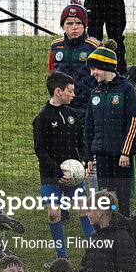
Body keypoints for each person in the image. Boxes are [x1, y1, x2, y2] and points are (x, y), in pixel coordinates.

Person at [33, 71, 88, 259]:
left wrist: (84, 161)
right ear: (58, 91)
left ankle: (93, 252)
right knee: (54, 214)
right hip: (51, 175)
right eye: (70, 91)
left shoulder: (72, 114)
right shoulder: (42, 118)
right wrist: (57, 170)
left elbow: (81, 141)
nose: (73, 95)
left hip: (73, 175)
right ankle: (61, 256)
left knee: (84, 208)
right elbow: (39, 149)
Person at [84, 41, 136, 215]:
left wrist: (126, 152)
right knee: (105, 197)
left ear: (105, 66)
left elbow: (134, 122)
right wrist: (88, 157)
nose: (92, 73)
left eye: (94, 69)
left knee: (121, 197)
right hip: (101, 155)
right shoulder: (95, 93)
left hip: (121, 156)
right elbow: (89, 127)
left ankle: (123, 225)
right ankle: (108, 229)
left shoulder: (127, 89)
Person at [48, 1, 101, 118]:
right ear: (63, 26)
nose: (74, 27)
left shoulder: (94, 46)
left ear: (85, 25)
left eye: (78, 23)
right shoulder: (56, 46)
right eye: (69, 23)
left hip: (88, 105)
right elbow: (51, 73)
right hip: (62, 104)